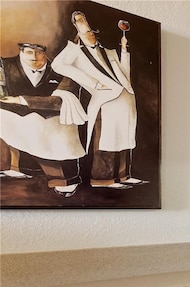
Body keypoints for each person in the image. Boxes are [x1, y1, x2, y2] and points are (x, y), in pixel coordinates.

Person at [52, 11, 146, 190]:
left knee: (125, 139)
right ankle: (103, 179)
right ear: (78, 35)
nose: (91, 35)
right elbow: (57, 64)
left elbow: (125, 75)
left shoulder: (109, 52)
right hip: (105, 102)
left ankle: (123, 176)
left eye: (92, 32)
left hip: (126, 99)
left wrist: (124, 51)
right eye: (86, 32)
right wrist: (93, 83)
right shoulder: (76, 54)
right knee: (107, 140)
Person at [0, 42, 87, 197]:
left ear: (46, 53)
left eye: (39, 52)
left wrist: (21, 100)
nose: (34, 57)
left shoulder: (61, 71)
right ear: (21, 52)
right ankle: (14, 167)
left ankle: (63, 180)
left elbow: (59, 103)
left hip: (49, 119)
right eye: (29, 52)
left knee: (57, 131)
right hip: (14, 117)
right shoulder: (6, 66)